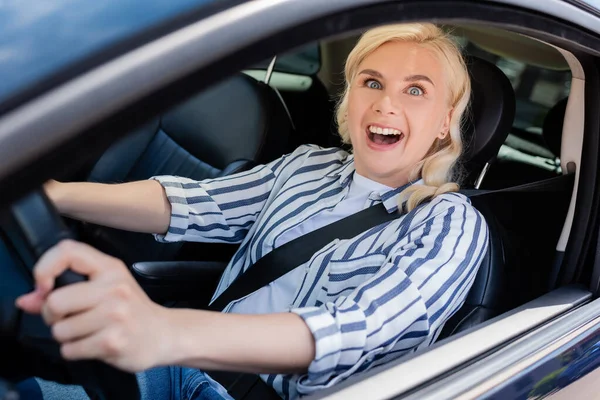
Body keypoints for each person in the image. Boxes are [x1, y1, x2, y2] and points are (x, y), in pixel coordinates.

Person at [16, 22, 489, 400]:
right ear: (351, 98)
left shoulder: (449, 222)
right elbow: (192, 204)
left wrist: (164, 329)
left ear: (446, 122)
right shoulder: (308, 165)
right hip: (187, 367)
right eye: (372, 82)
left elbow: (359, 329)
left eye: (415, 90)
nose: (386, 103)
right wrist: (50, 193)